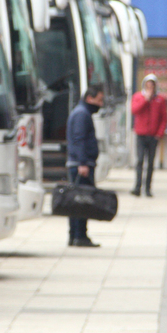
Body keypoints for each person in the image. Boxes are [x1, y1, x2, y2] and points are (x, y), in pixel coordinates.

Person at [66, 86, 104, 248]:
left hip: (79, 163)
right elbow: (79, 139)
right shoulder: (82, 114)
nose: (101, 104)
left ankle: (75, 235)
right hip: (81, 165)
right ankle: (80, 235)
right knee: (82, 201)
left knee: (77, 201)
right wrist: (82, 163)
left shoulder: (81, 112)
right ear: (90, 98)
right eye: (99, 100)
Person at [130, 74, 167, 197]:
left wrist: (159, 133)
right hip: (141, 134)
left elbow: (164, 118)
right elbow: (135, 110)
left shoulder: (160, 100)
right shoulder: (137, 96)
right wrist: (145, 99)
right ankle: (137, 187)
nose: (150, 88)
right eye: (148, 86)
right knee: (140, 160)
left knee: (150, 163)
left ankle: (148, 188)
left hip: (153, 136)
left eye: (152, 86)